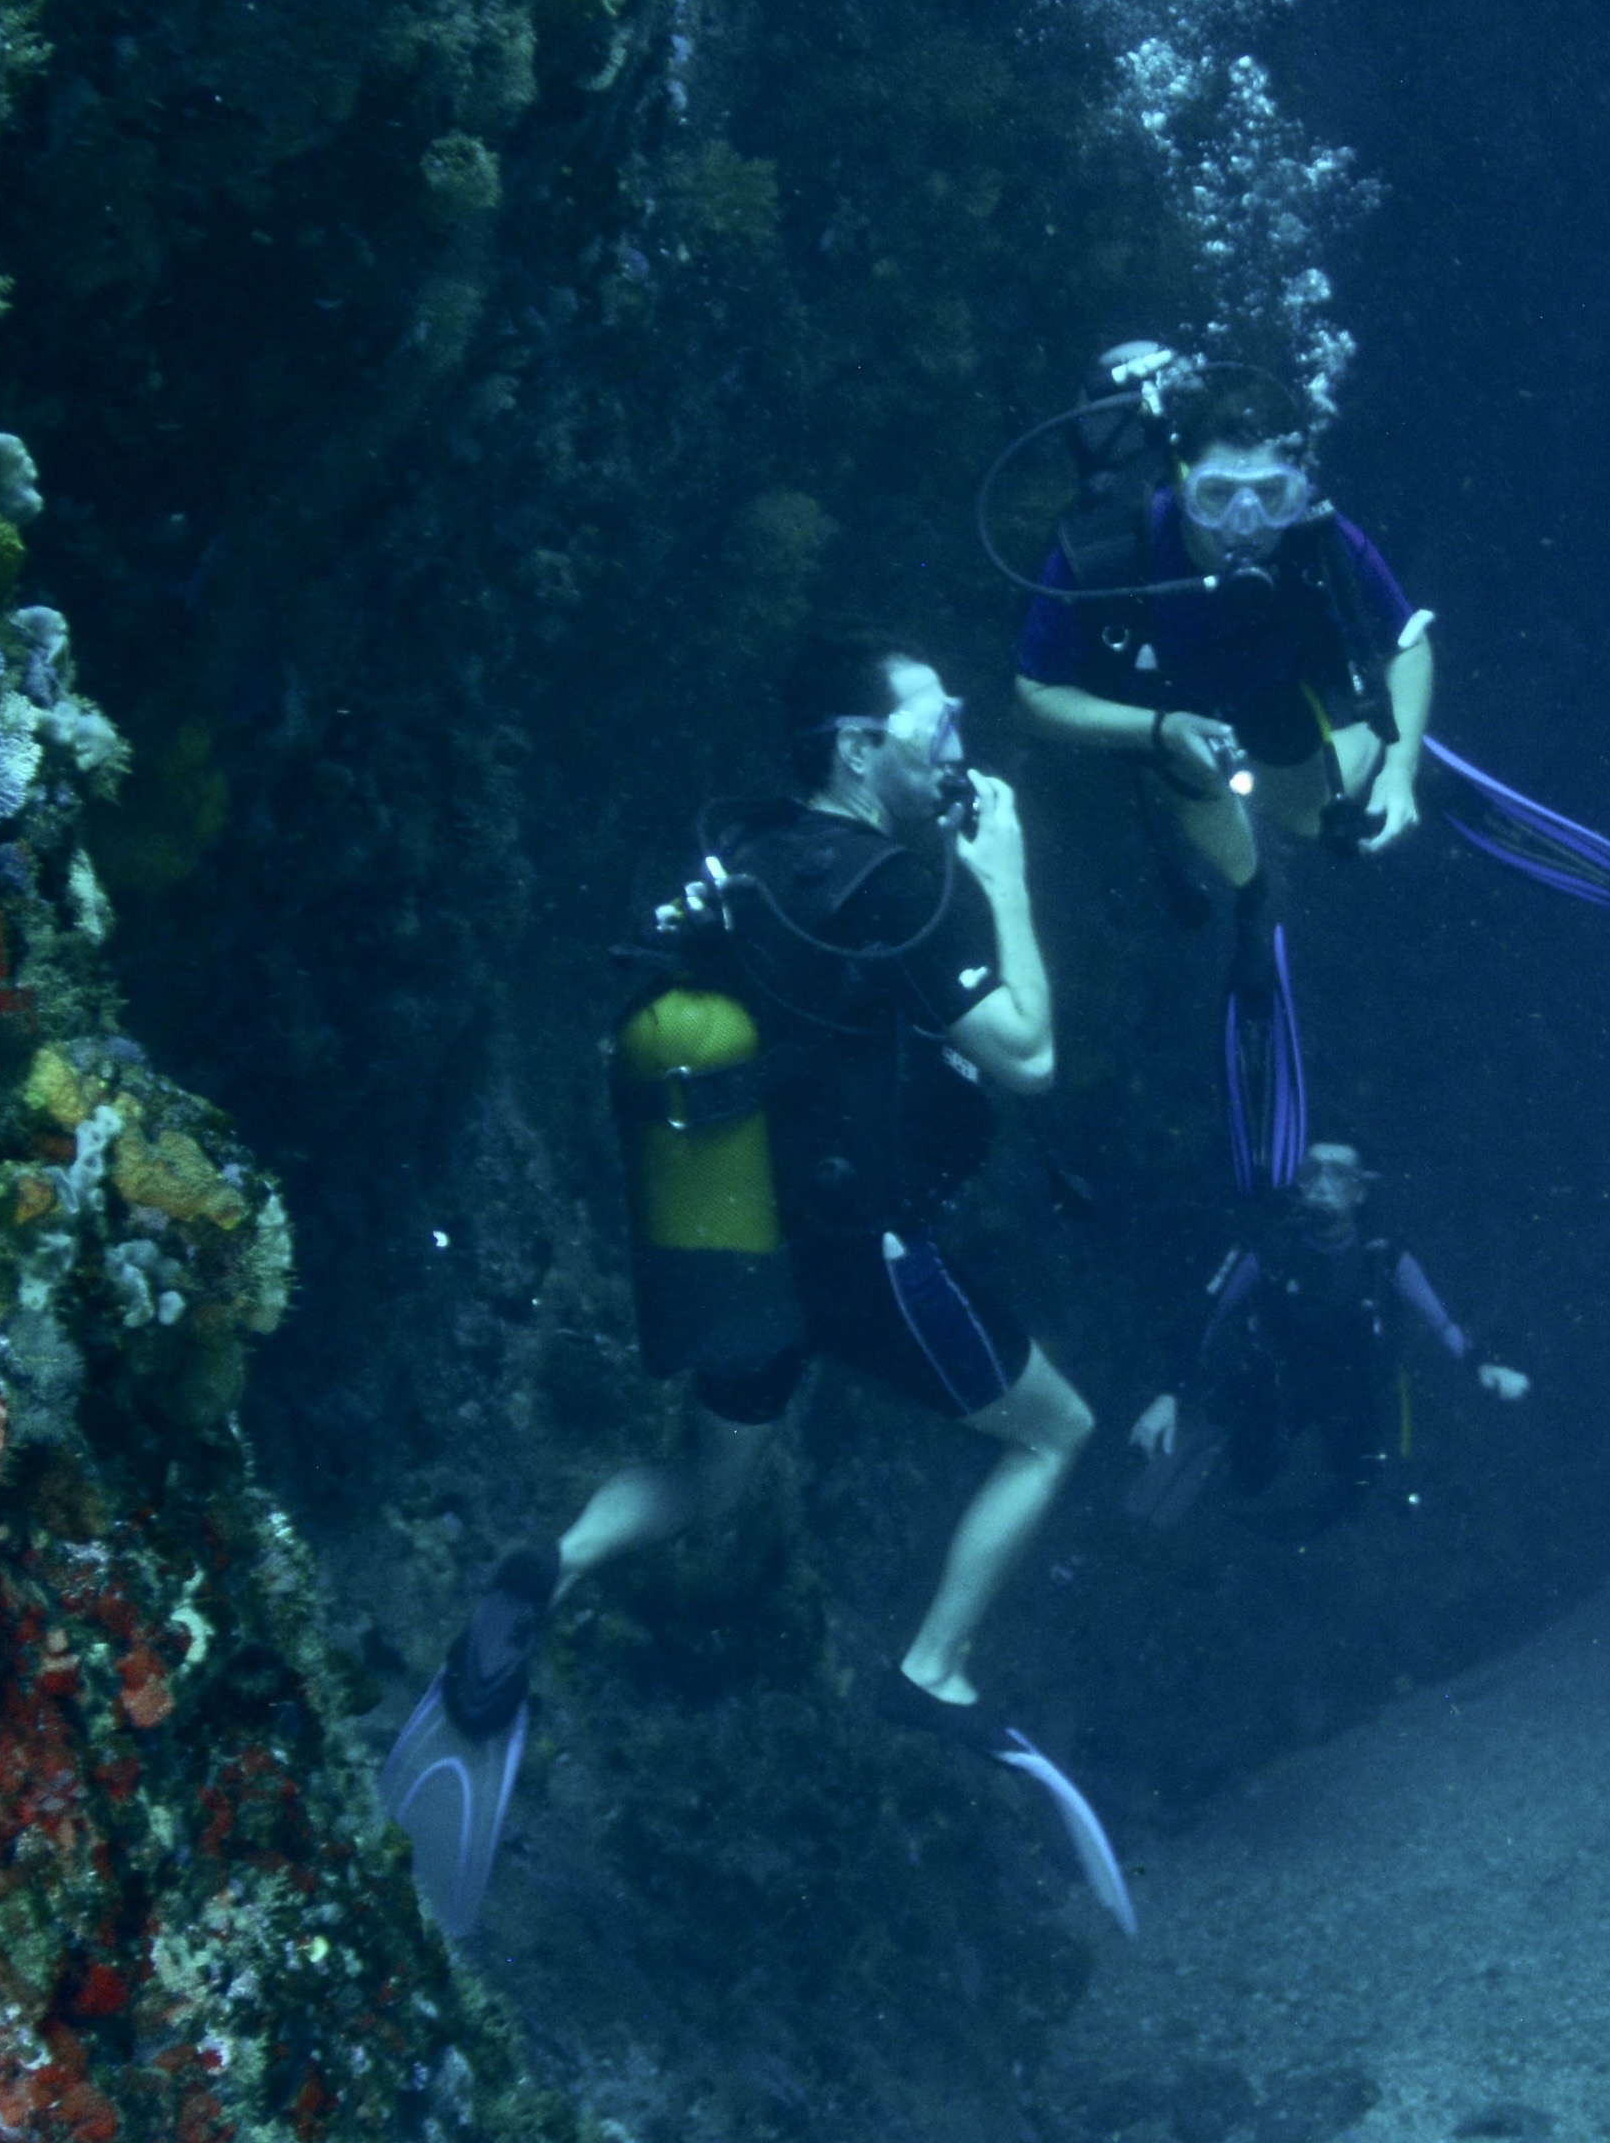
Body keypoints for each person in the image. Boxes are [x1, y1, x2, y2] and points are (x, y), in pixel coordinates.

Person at [376, 643, 1120, 1933]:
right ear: (855, 747)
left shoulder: (755, 863)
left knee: (713, 1482)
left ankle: (547, 1571)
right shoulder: (904, 887)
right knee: (1058, 1433)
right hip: (866, 1255)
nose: (955, 741)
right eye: (930, 721)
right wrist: (1006, 873)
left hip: (740, 1246)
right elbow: (1032, 1058)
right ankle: (933, 1669)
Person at [1009, 377, 1432, 1182]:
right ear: (1178, 479)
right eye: (1217, 497)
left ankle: (1391, 757)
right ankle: (1254, 897)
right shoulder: (1107, 549)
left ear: (1299, 487)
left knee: (1318, 822)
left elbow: (1405, 642)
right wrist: (1160, 728)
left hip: (1278, 707)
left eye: (1272, 495)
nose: (1247, 524)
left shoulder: (1322, 538)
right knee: (1198, 787)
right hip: (1172, 720)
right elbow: (1032, 695)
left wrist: (1402, 762)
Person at [1123, 1139, 1528, 1527]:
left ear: (1361, 1192)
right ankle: (1211, 1493)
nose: (1321, 1185)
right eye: (1310, 1171)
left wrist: (1482, 1367)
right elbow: (1207, 1316)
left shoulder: (1384, 1257)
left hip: (1353, 1388)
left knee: (1359, 1485)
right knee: (1250, 1476)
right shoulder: (1270, 1249)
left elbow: (1442, 1322)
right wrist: (1169, 1394)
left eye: (1339, 1175)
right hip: (1279, 1379)